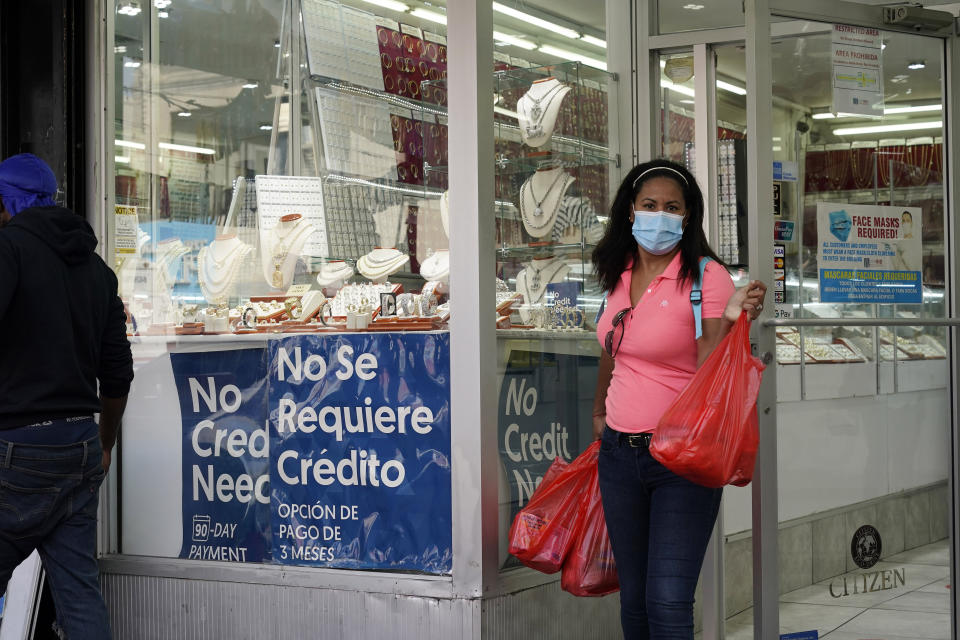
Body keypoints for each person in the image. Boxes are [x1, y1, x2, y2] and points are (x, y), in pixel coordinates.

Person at [591, 159, 765, 640]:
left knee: (666, 600)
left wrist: (730, 321)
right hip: (619, 456)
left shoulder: (706, 276)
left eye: (672, 207)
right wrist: (599, 411)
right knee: (634, 600)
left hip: (681, 457)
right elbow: (612, 347)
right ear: (631, 210)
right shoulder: (618, 271)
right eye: (650, 205)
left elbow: (711, 365)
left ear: (687, 218)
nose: (660, 215)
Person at [0, 153, 133, 639]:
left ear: (5, 204)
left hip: (17, 451)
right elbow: (118, 372)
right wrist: (104, 443)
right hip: (78, 446)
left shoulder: (8, 250)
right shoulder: (97, 270)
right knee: (79, 594)